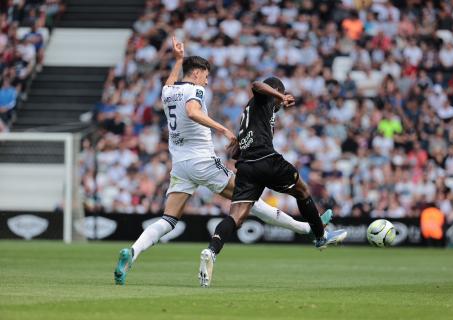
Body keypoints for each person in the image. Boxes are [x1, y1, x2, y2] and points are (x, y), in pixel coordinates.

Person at [114, 37, 336, 285]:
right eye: (205, 76)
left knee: (169, 220)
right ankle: (308, 229)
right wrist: (223, 130)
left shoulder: (168, 92)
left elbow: (170, 82)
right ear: (197, 74)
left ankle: (132, 252)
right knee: (250, 202)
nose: (206, 81)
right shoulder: (195, 90)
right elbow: (192, 112)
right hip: (203, 162)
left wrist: (177, 60)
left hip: (180, 165)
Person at [199, 77, 347, 287]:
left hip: (246, 167)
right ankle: (320, 235)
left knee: (236, 217)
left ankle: (211, 250)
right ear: (275, 91)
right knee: (302, 191)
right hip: (266, 160)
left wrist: (236, 148)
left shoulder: (251, 114)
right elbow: (256, 84)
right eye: (279, 96)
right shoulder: (264, 98)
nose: (280, 105)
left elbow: (237, 149)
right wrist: (280, 96)